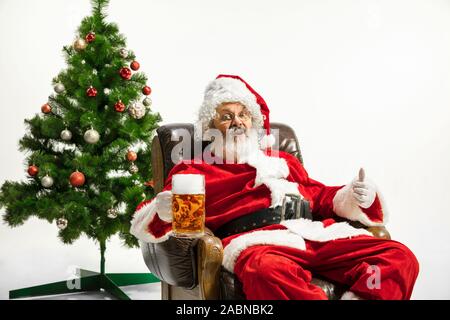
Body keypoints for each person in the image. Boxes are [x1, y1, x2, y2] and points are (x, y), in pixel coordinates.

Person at [130, 74, 419, 300]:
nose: (237, 122)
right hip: (259, 246)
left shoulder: (282, 162)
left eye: (243, 115)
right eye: (226, 115)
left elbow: (318, 195)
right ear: (209, 126)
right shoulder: (193, 171)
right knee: (266, 273)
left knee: (398, 258)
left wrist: (354, 196)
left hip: (314, 236)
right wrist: (164, 209)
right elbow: (155, 219)